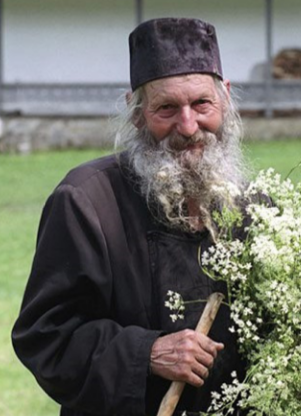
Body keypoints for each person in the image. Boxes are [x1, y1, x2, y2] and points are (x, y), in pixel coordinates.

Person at [12, 17, 249, 416]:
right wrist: (148, 352)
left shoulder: (253, 206)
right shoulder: (86, 202)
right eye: (167, 108)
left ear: (224, 99)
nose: (188, 126)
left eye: (201, 104)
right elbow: (45, 337)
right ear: (136, 112)